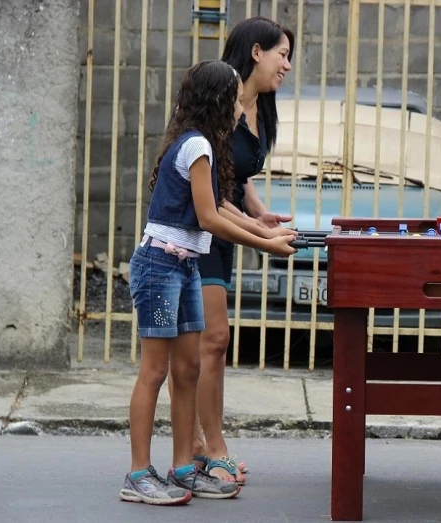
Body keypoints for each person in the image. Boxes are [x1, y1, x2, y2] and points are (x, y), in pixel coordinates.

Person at [120, 59, 297, 505]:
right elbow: (209, 218)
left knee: (188, 368)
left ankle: (184, 468)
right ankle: (138, 474)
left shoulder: (204, 146)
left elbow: (222, 204)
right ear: (219, 101)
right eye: (236, 98)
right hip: (160, 270)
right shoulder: (196, 145)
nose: (242, 106)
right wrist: (266, 245)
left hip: (185, 269)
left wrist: (266, 230)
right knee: (156, 371)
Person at [166, 16, 296, 486]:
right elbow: (210, 190)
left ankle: (205, 445)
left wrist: (258, 212)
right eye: (282, 54)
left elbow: (238, 177)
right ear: (256, 51)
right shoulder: (221, 98)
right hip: (203, 229)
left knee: (214, 345)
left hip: (228, 226)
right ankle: (207, 448)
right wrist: (262, 238)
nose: (287, 65)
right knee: (210, 340)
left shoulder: (262, 106)